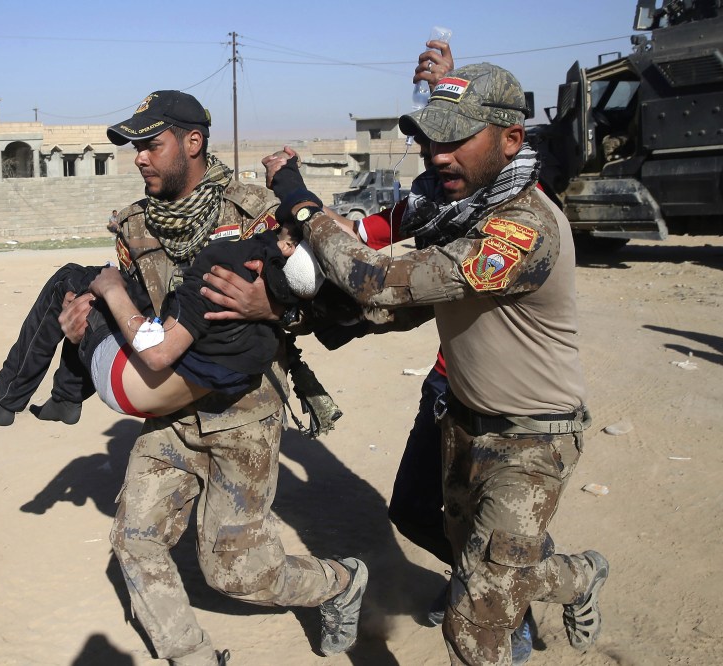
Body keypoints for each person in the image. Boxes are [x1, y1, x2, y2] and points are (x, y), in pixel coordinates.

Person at [205, 64, 609, 666]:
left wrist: (303, 204)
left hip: (532, 441)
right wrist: (288, 312)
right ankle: (576, 575)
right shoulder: (463, 214)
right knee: (437, 532)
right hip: (464, 419)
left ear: (511, 140)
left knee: (475, 629)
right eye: (430, 139)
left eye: (455, 140)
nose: (436, 155)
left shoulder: (523, 228)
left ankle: (504, 610)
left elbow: (375, 281)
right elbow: (401, 309)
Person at [58, 90, 368, 666]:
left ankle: (339, 582)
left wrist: (271, 310)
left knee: (238, 572)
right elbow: (140, 315)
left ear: (192, 142)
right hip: (169, 410)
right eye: (135, 149)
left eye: (151, 145)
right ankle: (193, 656)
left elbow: (337, 299)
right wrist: (87, 327)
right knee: (135, 539)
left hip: (243, 413)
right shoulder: (133, 225)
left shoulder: (257, 208)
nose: (140, 159)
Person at [0, 221, 317, 426]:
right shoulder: (258, 327)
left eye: (151, 145)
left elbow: (156, 350)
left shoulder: (222, 267)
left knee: (74, 284)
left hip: (129, 376)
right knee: (93, 291)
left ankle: (6, 399)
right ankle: (64, 397)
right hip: (172, 364)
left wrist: (109, 290)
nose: (140, 158)